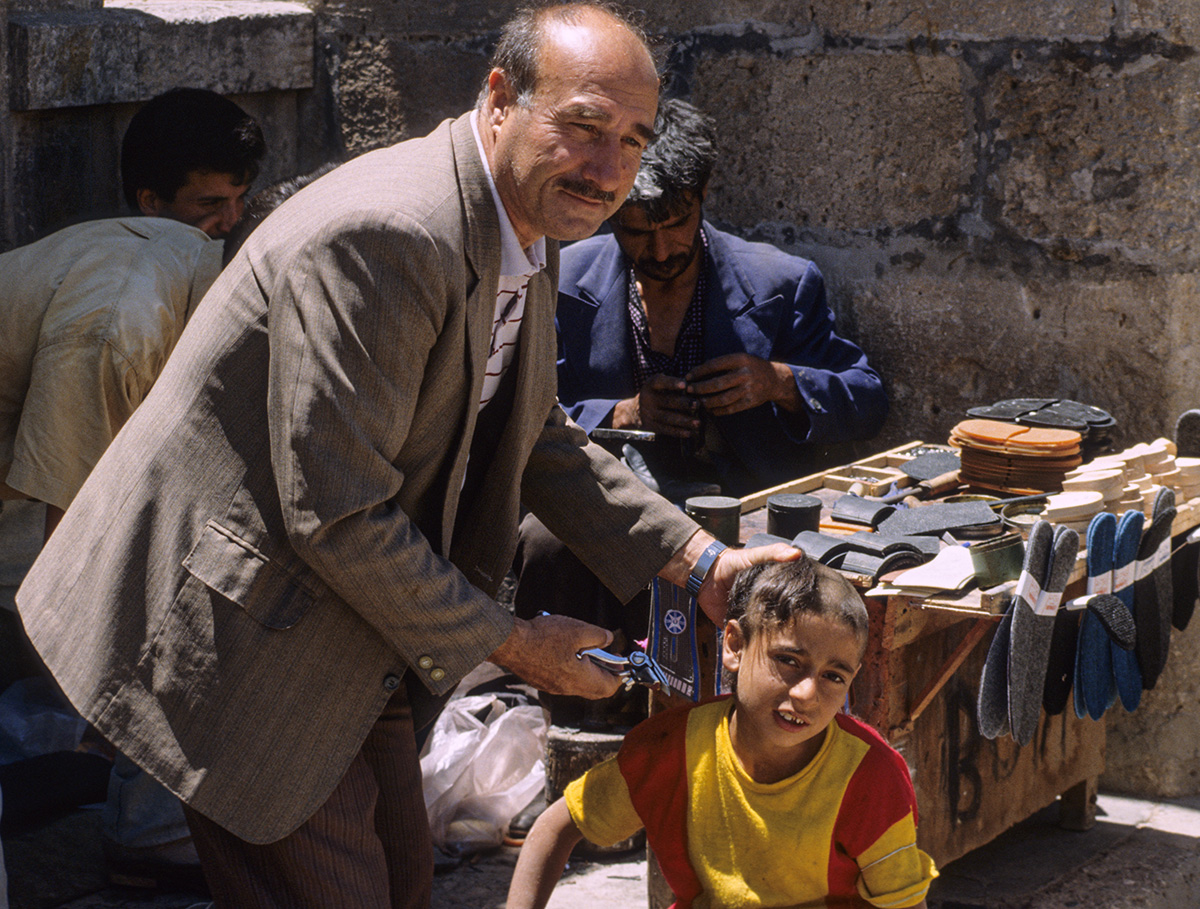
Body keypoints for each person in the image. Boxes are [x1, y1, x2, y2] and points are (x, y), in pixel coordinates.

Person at [15, 5, 795, 907]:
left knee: (401, 880)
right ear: (500, 98)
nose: (609, 168)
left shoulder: (524, 222)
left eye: (631, 140)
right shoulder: (390, 235)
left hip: (358, 617)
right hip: (249, 625)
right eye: (584, 127)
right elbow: (339, 513)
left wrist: (698, 562)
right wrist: (516, 645)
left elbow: (535, 433)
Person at [512, 97, 887, 675]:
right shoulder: (565, 281)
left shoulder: (780, 283)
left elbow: (865, 395)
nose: (660, 251)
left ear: (704, 193)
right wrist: (620, 414)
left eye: (676, 224)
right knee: (546, 543)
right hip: (611, 497)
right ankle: (579, 703)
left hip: (739, 501)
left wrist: (780, 383)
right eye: (638, 231)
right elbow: (527, 408)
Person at [507, 557, 937, 909]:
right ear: (734, 645)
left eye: (834, 676)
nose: (807, 693)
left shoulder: (869, 776)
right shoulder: (674, 750)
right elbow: (555, 828)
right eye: (788, 660)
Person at [122, 87, 266, 239]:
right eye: (211, 203)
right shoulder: (112, 261)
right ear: (150, 202)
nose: (232, 222)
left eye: (241, 197)